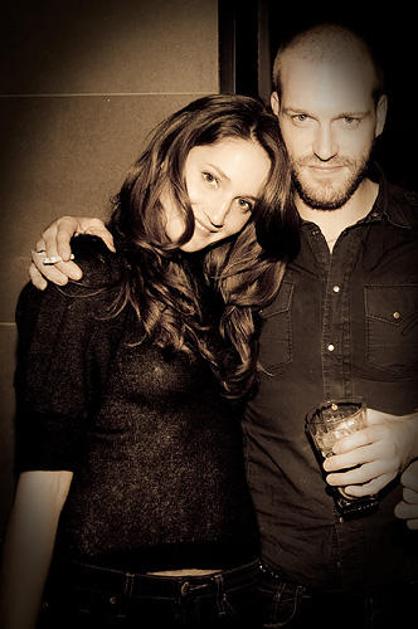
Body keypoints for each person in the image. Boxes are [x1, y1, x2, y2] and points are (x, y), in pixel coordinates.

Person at [21, 23, 418, 629]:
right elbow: (150, 248)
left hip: (395, 577)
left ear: (381, 116)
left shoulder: (393, 240)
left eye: (349, 119)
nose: (325, 147)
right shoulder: (240, 247)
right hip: (263, 591)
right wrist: (80, 242)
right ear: (277, 111)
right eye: (303, 118)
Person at [0, 93, 298, 629]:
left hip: (236, 595)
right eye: (210, 178)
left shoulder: (218, 288)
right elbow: (41, 481)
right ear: (172, 153)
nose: (220, 215)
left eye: (245, 203)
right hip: (123, 601)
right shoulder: (86, 279)